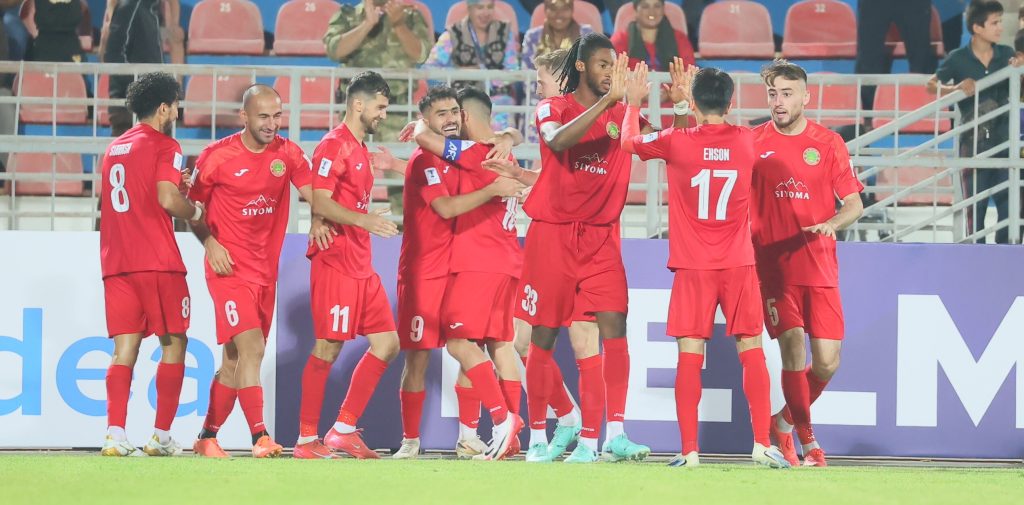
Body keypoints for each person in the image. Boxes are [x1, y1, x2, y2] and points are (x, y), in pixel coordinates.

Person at [518, 32, 686, 463]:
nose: (611, 72)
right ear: (581, 66)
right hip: (553, 234)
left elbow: (676, 147)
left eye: (615, 65)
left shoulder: (622, 114)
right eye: (602, 65)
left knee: (611, 330)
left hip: (601, 238)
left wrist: (682, 106)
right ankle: (536, 436)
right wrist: (610, 102)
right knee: (543, 335)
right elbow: (557, 141)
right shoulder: (552, 107)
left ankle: (606, 436)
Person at [622, 62, 790, 469]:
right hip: (738, 264)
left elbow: (628, 142)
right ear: (730, 104)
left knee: (689, 354)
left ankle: (689, 451)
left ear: (695, 103)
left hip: (693, 266)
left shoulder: (676, 142)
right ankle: (762, 444)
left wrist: (633, 102)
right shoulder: (748, 140)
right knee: (751, 349)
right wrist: (687, 107)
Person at [188, 84, 328, 459]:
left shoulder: (288, 153)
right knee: (253, 349)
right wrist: (210, 243)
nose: (271, 124)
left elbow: (318, 194)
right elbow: (192, 210)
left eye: (277, 116)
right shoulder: (216, 157)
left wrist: (318, 218)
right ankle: (260, 436)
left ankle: (206, 437)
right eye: (263, 116)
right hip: (227, 270)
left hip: (265, 273)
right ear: (244, 116)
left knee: (234, 359)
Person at [394, 85, 524, 459]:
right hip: (425, 273)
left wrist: (507, 135)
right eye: (442, 114)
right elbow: (445, 203)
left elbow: (452, 176)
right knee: (421, 358)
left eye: (454, 111)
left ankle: (482, 431)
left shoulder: (466, 153)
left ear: (464, 116)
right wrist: (508, 138)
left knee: (467, 345)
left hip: (466, 266)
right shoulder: (433, 158)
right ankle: (411, 440)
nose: (451, 119)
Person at [752, 59, 865, 467]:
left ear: (805, 97)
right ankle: (807, 440)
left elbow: (854, 203)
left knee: (828, 361)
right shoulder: (753, 142)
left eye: (786, 93)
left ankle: (782, 421)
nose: (778, 102)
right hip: (774, 268)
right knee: (792, 351)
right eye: (773, 94)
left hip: (819, 265)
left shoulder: (829, 143)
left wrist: (833, 222)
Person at [293, 71, 402, 460]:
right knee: (328, 347)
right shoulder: (333, 145)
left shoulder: (358, 148)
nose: (383, 114)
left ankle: (342, 430)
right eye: (380, 107)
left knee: (388, 344)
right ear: (358, 104)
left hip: (360, 262)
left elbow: (334, 203)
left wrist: (360, 216)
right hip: (336, 260)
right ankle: (306, 440)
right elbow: (320, 199)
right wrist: (363, 220)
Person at [99, 71, 201, 457]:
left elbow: (137, 191)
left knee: (124, 348)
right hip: (157, 260)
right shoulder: (166, 144)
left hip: (117, 262)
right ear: (162, 108)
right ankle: (161, 436)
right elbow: (166, 199)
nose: (176, 111)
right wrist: (195, 209)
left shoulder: (114, 148)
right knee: (174, 342)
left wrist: (176, 184)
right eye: (174, 105)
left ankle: (114, 434)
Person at [324, 0, 434, 214]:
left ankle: (404, 230)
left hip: (396, 112)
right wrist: (367, 23)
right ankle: (346, 227)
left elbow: (421, 54)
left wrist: (399, 24)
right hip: (356, 114)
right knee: (347, 178)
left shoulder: (410, 15)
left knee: (402, 184)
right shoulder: (347, 15)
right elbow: (334, 50)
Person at [928, 0, 1022, 244]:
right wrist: (956, 88)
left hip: (1005, 141)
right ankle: (975, 257)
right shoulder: (957, 58)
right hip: (973, 144)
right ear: (977, 28)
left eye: (1001, 21)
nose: (1000, 27)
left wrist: (1019, 69)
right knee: (974, 211)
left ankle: (1006, 257)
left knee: (1009, 209)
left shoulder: (1007, 54)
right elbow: (931, 85)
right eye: (995, 23)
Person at [423, 0, 520, 132]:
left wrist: (486, 76)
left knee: (501, 123)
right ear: (469, 9)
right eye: (480, 8)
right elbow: (429, 68)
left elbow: (513, 69)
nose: (485, 12)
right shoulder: (452, 34)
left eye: (489, 7)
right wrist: (459, 72)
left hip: (498, 99)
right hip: (462, 98)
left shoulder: (505, 33)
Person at [100, 0, 180, 137]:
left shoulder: (149, 12)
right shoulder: (130, 7)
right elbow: (113, 56)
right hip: (132, 109)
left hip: (149, 106)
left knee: (165, 147)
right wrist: (143, 92)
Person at [610, 0, 695, 72]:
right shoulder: (620, 39)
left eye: (657, 6)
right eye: (645, 7)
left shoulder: (679, 38)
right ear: (636, 10)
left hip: (672, 86)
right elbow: (612, 71)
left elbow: (688, 71)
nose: (652, 12)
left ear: (663, 9)